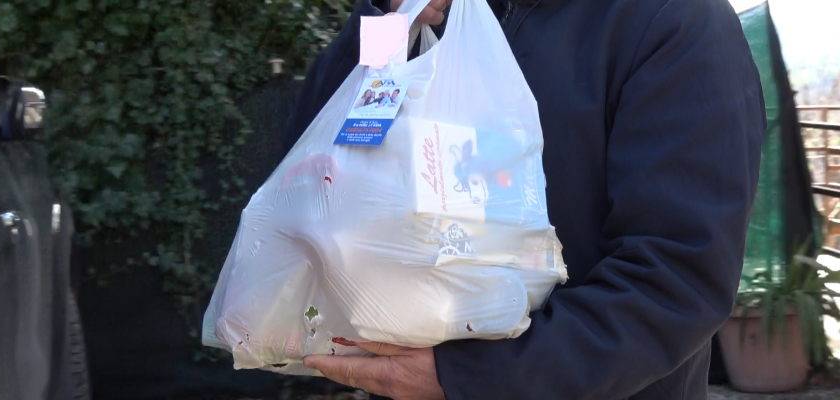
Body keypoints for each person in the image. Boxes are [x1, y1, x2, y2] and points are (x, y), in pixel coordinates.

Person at [282, 0, 765, 398]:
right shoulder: (438, 14)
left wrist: (466, 375)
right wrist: (384, 18)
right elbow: (314, 160)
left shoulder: (674, 21)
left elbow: (675, 280)